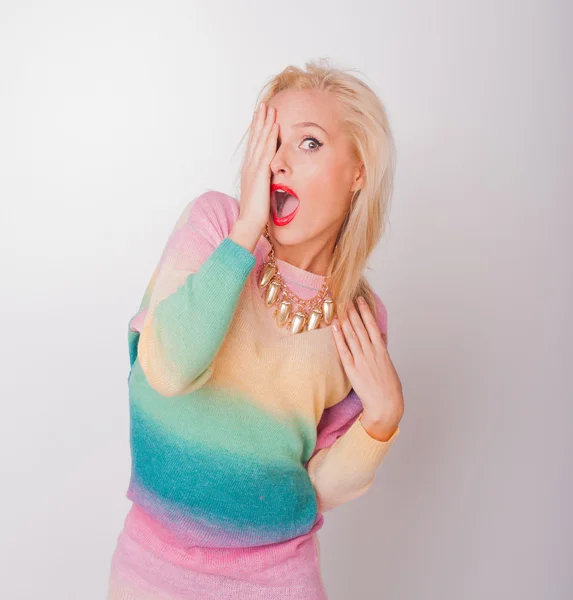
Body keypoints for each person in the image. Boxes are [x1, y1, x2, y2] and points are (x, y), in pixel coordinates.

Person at [106, 58, 405, 600]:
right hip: (154, 572)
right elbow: (168, 370)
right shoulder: (217, 227)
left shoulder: (362, 318)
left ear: (358, 169)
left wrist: (382, 421)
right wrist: (245, 232)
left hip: (278, 581)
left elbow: (315, 487)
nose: (279, 164)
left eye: (308, 143)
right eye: (272, 143)